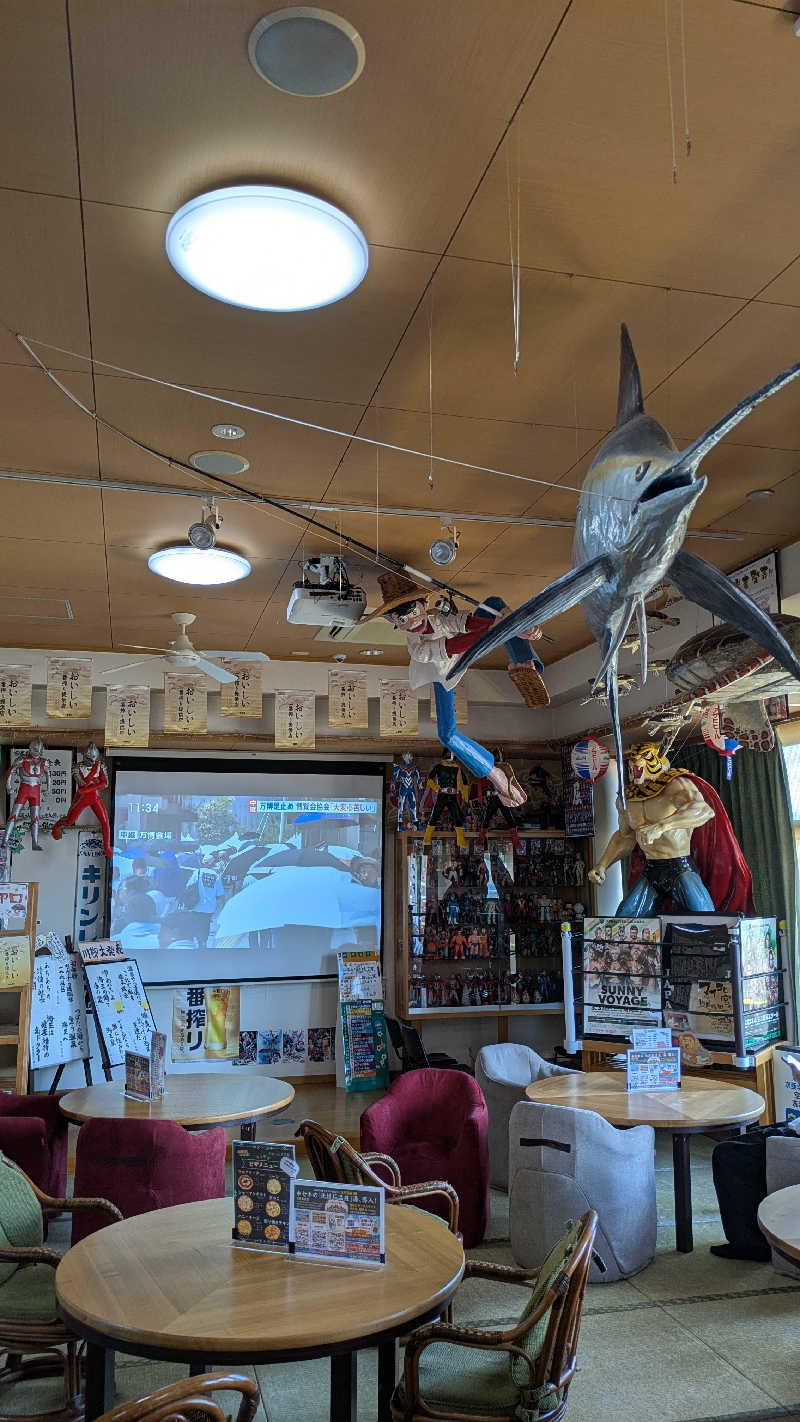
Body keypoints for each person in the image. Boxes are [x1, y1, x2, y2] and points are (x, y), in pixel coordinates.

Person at [363, 571, 546, 808]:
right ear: (391, 620)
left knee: (494, 605)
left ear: (424, 604)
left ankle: (524, 660)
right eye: (400, 620)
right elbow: (452, 645)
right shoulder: (416, 647)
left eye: (413, 613)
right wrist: (497, 629)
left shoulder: (438, 618)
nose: (409, 623)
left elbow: (465, 623)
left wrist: (509, 625)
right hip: (447, 674)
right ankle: (494, 772)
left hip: (465, 652)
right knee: (446, 735)